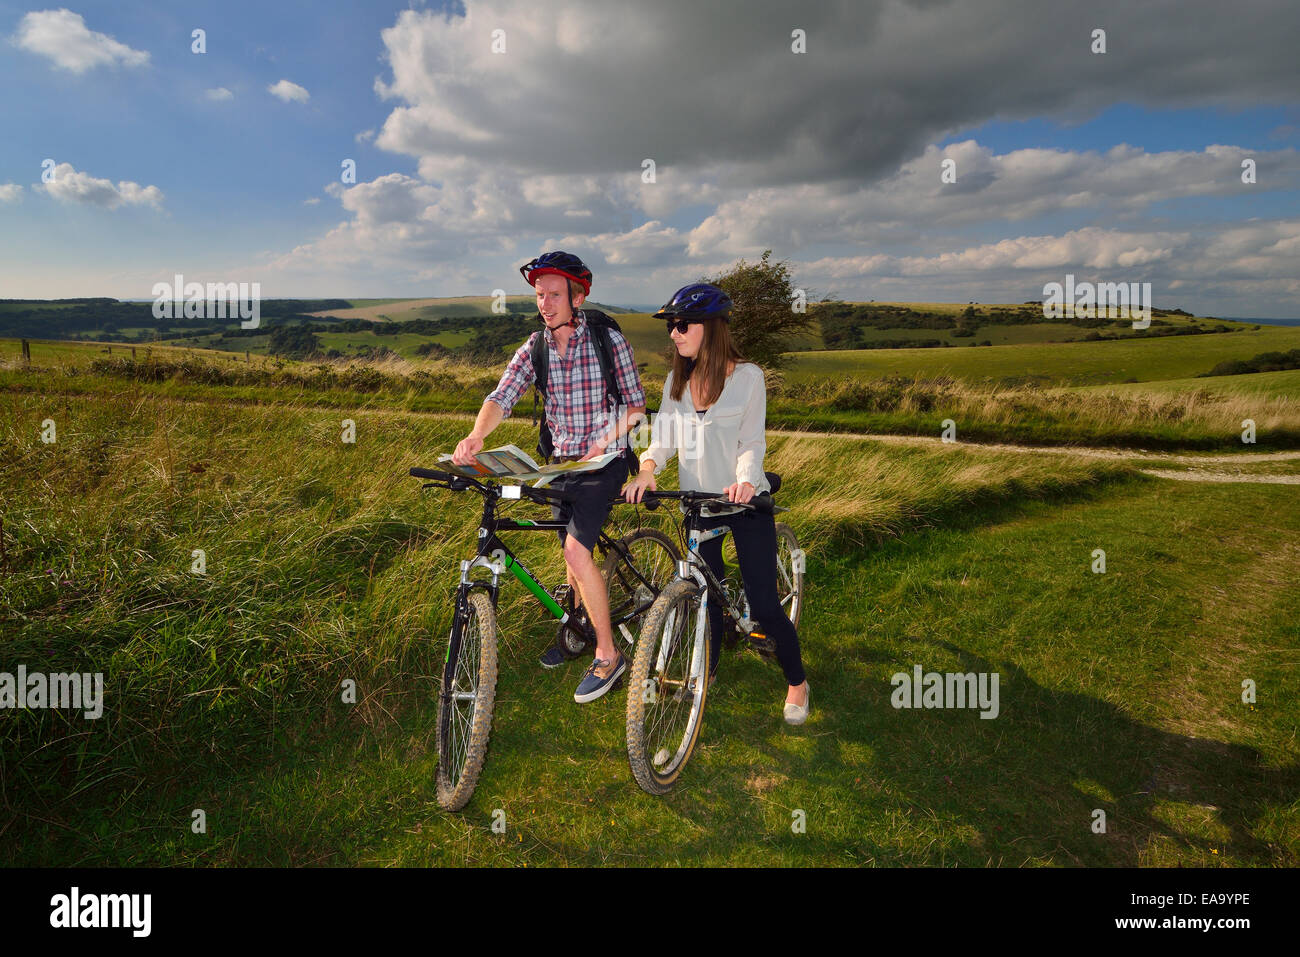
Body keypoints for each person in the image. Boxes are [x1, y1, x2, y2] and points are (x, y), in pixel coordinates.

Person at [453, 251, 647, 704]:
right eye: (539, 295)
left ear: (577, 296)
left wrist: (602, 441)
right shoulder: (534, 347)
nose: (545, 303)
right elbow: (501, 396)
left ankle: (608, 654)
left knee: (578, 552)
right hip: (561, 463)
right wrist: (477, 435)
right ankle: (576, 627)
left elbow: (636, 407)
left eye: (554, 294)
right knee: (567, 547)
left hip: (605, 462)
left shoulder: (605, 341)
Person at [623, 282, 810, 725]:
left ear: (711, 327)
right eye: (671, 325)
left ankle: (798, 682)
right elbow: (665, 437)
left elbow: (751, 441)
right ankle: (703, 672)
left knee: (764, 606)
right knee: (703, 597)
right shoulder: (676, 382)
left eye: (682, 324)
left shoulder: (747, 378)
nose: (673, 333)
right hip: (698, 504)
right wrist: (648, 469)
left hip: (743, 504)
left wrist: (746, 482)